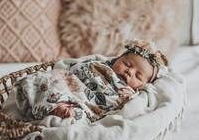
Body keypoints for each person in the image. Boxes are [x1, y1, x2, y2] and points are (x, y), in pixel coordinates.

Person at [14, 39, 168, 123]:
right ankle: (42, 100)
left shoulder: (132, 94)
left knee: (80, 115)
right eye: (127, 64)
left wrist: (129, 99)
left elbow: (123, 112)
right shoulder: (100, 65)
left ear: (144, 84)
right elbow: (73, 69)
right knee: (51, 80)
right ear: (118, 58)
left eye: (138, 76)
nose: (130, 71)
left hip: (90, 102)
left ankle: (63, 110)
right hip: (72, 85)